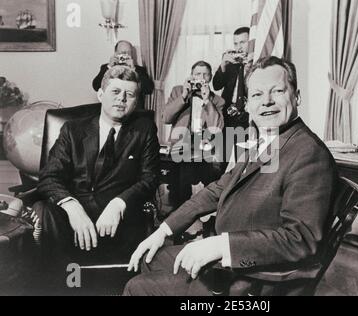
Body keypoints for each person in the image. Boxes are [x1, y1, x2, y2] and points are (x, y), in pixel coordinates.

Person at [123, 57, 339, 296]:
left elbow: (299, 239)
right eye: (257, 95)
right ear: (248, 104)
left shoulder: (308, 153)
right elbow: (217, 189)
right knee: (151, 257)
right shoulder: (270, 141)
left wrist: (221, 245)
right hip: (232, 259)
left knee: (137, 288)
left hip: (253, 280)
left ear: (296, 97)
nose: (266, 101)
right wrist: (164, 229)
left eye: (277, 91)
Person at [37, 66, 160, 266]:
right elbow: (49, 176)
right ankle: (57, 281)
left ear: (136, 102)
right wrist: (72, 207)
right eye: (115, 92)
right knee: (45, 211)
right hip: (72, 216)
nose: (122, 99)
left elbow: (150, 178)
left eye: (129, 95)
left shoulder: (144, 130)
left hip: (117, 219)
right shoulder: (72, 130)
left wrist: (119, 204)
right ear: (101, 94)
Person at [163, 61, 225, 211]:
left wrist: (207, 101)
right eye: (197, 74)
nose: (201, 78)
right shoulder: (178, 91)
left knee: (212, 180)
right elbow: (166, 118)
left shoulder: (218, 100)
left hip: (203, 146)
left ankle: (207, 220)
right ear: (191, 76)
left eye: (205, 74)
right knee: (180, 184)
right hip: (181, 143)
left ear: (210, 78)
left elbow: (216, 128)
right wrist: (184, 95)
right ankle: (177, 220)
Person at [92, 40, 154, 109]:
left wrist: (133, 69)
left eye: (128, 52)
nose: (125, 55)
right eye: (122, 52)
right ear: (115, 54)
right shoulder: (106, 67)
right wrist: (109, 67)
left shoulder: (139, 70)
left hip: (134, 110)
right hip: (111, 108)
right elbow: (96, 86)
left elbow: (148, 89)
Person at [213, 27, 252, 129]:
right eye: (236, 43)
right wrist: (223, 65)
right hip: (228, 113)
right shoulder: (230, 63)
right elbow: (216, 85)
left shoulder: (256, 63)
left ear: (251, 42)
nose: (239, 47)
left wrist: (249, 69)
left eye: (242, 42)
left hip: (248, 115)